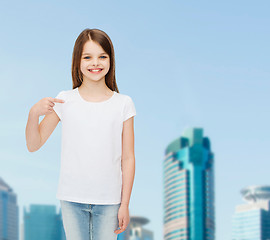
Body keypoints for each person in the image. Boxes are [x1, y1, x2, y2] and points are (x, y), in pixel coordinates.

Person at [25, 28, 136, 240]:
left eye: (102, 56)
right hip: (71, 198)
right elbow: (34, 144)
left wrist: (125, 204)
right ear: (78, 61)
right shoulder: (65, 100)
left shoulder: (123, 104)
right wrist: (33, 114)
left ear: (111, 60)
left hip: (110, 200)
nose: (95, 63)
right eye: (88, 57)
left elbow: (128, 158)